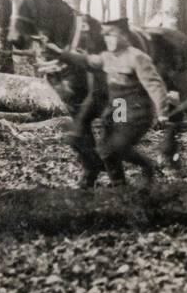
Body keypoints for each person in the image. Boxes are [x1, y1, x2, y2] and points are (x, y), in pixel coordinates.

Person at [42, 17, 172, 187]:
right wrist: (60, 53)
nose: (109, 40)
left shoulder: (137, 57)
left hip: (137, 112)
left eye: (113, 36)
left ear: (124, 36)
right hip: (119, 108)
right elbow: (86, 61)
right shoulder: (107, 57)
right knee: (105, 148)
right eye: (106, 37)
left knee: (114, 147)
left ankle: (147, 165)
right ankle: (119, 186)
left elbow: (154, 85)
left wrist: (162, 113)